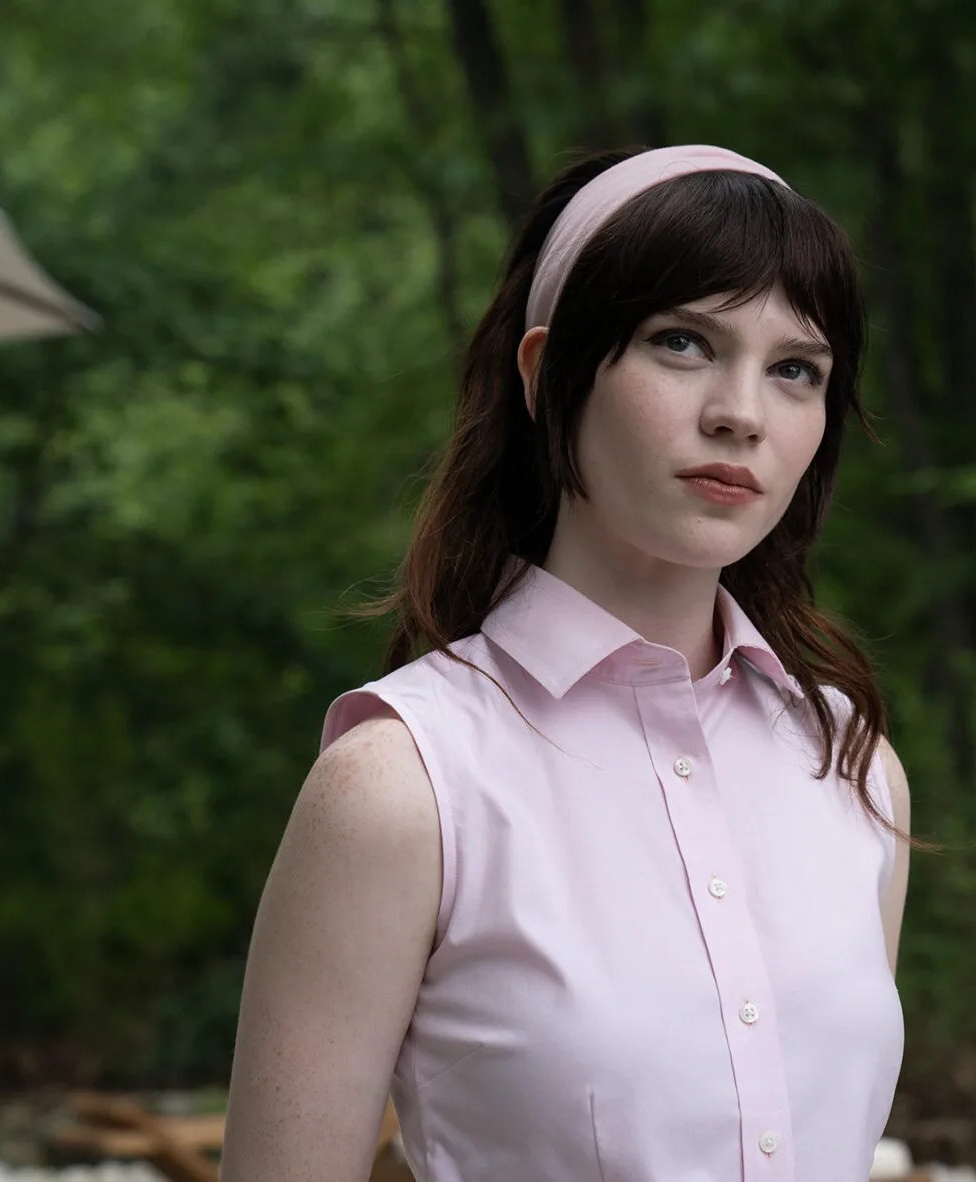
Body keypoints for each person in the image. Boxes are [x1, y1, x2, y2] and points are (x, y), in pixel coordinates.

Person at [221, 144, 912, 1182]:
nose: (741, 412)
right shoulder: (405, 782)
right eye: (681, 343)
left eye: (794, 370)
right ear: (547, 373)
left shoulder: (847, 767)